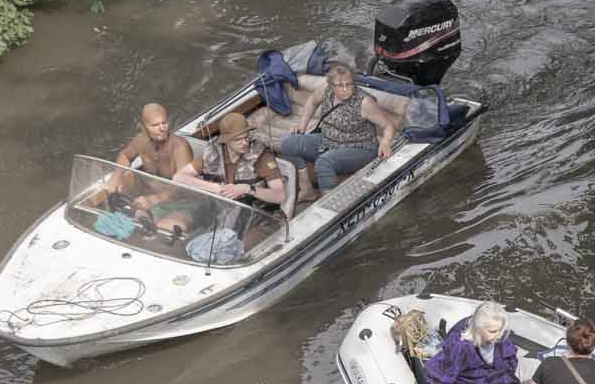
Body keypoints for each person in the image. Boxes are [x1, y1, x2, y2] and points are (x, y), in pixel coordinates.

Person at [133, 112, 286, 255]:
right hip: (220, 209)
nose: (245, 142)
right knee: (171, 222)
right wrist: (217, 188)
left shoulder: (262, 157)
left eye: (246, 137)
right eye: (238, 139)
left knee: (237, 250)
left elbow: (279, 195)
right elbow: (180, 177)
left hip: (260, 216)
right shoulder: (214, 153)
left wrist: (247, 189)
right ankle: (160, 245)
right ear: (226, 140)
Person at [278, 62, 399, 197]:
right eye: (339, 86)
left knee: (324, 162)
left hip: (360, 148)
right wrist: (302, 125)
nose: (345, 89)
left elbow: (388, 126)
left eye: (349, 84)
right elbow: (312, 101)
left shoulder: (364, 103)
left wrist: (385, 142)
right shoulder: (325, 90)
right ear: (330, 85)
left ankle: (329, 203)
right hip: (328, 141)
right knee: (289, 144)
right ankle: (307, 189)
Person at [421, 301, 525, 384]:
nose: (499, 335)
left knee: (537, 368)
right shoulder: (461, 347)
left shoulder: (498, 334)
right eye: (493, 332)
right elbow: (432, 374)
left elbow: (510, 355)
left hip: (501, 376)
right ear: (478, 328)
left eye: (501, 330)